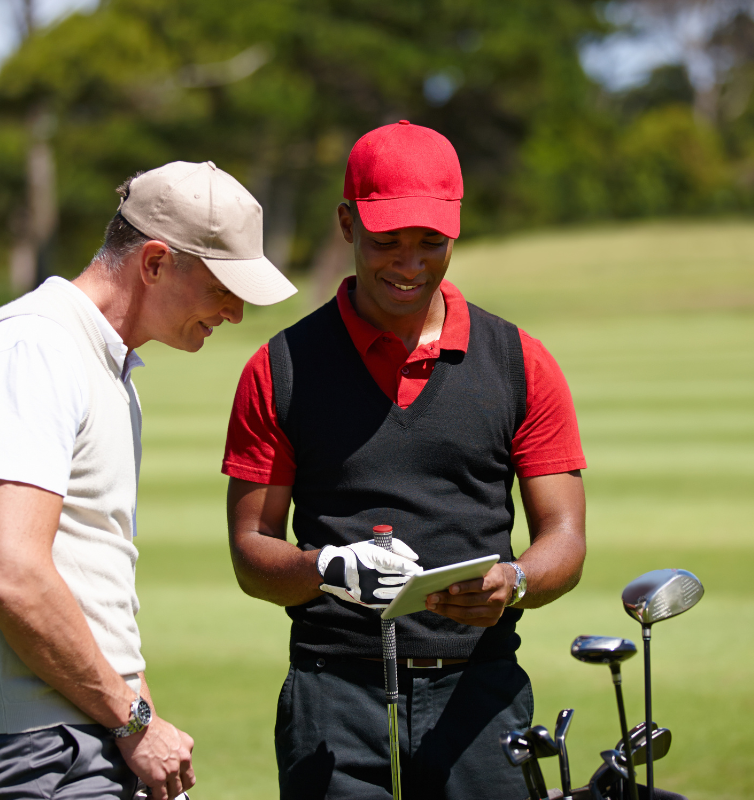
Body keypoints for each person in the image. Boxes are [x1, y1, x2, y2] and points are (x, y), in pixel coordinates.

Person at [223, 122, 587, 800]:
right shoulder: (278, 369)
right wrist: (326, 569)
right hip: (332, 693)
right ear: (346, 223)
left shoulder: (520, 361)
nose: (410, 263)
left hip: (478, 690)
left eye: (431, 243)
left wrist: (515, 580)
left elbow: (564, 538)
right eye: (387, 240)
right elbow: (251, 552)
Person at [0, 160, 296, 800]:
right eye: (223, 286)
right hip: (39, 751)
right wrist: (134, 722)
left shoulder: (109, 368)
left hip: (86, 737)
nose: (236, 312)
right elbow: (14, 572)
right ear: (156, 262)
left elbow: (97, 589)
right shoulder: (37, 348)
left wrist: (145, 726)